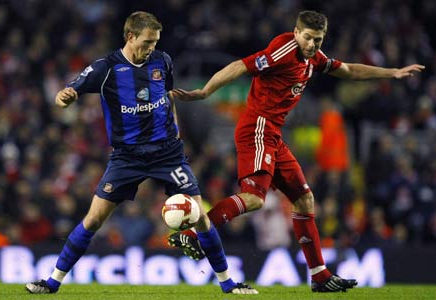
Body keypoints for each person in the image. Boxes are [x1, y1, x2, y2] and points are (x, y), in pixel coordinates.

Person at [170, 10, 425, 293]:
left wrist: (391, 72)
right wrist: (205, 92)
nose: (313, 44)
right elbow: (240, 66)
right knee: (254, 199)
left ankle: (319, 275)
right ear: (296, 32)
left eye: (318, 39)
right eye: (308, 38)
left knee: (305, 200)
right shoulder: (283, 49)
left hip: (274, 136)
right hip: (257, 128)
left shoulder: (314, 58)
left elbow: (349, 70)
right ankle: (194, 233)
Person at [25, 11, 257, 295]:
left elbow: (167, 95)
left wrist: (177, 133)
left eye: (155, 42)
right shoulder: (106, 68)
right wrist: (65, 97)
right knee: (94, 219)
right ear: (130, 37)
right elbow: (66, 94)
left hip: (167, 153)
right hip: (127, 157)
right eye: (147, 42)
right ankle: (51, 282)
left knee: (201, 217)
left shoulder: (163, 60)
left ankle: (228, 284)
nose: (152, 48)